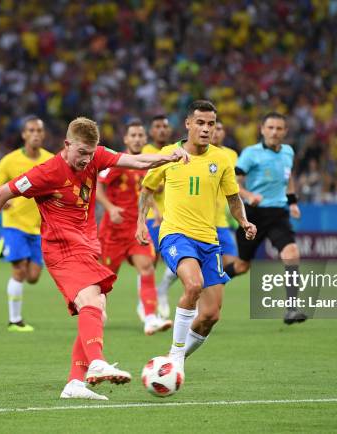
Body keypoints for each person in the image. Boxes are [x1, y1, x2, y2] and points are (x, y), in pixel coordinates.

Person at [0, 117, 188, 400]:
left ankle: (75, 383)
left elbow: (137, 162)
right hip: (61, 250)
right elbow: (0, 193)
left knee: (98, 307)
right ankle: (97, 363)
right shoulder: (47, 172)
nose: (86, 159)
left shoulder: (95, 157)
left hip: (87, 247)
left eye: (90, 153)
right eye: (81, 153)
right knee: (92, 302)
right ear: (67, 145)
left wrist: (169, 156)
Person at [136, 100, 256, 370]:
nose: (205, 129)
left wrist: (244, 222)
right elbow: (147, 190)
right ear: (188, 124)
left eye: (211, 124)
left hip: (209, 241)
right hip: (176, 235)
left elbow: (233, 197)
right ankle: (176, 357)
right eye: (200, 123)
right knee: (193, 285)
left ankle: (174, 358)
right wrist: (141, 223)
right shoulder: (168, 155)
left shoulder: (222, 159)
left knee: (211, 315)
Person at [224, 112, 306, 325]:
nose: (274, 132)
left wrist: (293, 202)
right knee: (242, 266)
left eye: (279, 129)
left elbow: (288, 179)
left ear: (285, 132)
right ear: (262, 129)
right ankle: (210, 284)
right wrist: (249, 196)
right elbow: (233, 184)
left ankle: (292, 308)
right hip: (253, 215)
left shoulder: (288, 152)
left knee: (291, 254)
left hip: (278, 213)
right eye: (270, 128)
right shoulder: (250, 154)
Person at [96, 119, 173, 335]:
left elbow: (144, 193)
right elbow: (98, 187)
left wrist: (155, 211)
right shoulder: (117, 162)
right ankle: (96, 312)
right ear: (126, 139)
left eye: (141, 135)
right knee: (106, 279)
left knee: (147, 266)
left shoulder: (145, 164)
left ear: (145, 139)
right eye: (134, 135)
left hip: (136, 228)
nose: (138, 139)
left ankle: (150, 318)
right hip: (113, 230)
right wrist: (110, 208)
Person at [155, 119, 239, 297]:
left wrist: (242, 217)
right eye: (202, 124)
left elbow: (235, 189)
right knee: (190, 277)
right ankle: (171, 283)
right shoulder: (176, 153)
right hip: (184, 225)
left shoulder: (229, 156)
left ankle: (203, 286)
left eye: (215, 126)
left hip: (218, 224)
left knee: (235, 263)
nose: (211, 131)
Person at [0, 116, 54, 332]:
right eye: (31, 130)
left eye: (39, 131)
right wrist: (2, 203)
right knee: (19, 272)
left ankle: (3, 249)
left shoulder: (51, 160)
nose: (35, 134)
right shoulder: (9, 160)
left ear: (43, 135)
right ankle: (14, 321)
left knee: (33, 277)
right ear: (24, 134)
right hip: (14, 224)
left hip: (38, 227)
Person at [140, 114, 173, 319]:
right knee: (150, 262)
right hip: (154, 216)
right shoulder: (147, 152)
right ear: (151, 132)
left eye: (164, 126)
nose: (161, 130)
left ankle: (161, 291)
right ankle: (146, 304)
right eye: (157, 126)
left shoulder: (174, 151)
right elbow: (145, 186)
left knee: (176, 261)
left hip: (173, 217)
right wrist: (156, 210)